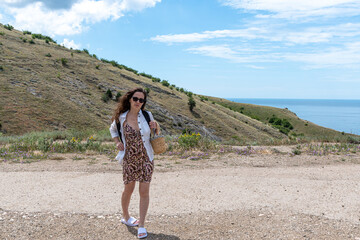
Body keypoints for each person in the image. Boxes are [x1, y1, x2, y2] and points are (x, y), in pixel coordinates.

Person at [109, 88, 157, 239]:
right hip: (129, 159)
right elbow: (113, 130)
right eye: (136, 99)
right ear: (130, 99)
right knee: (128, 190)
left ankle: (141, 225)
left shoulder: (147, 115)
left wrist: (155, 127)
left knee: (144, 191)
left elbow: (154, 134)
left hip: (146, 158)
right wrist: (117, 142)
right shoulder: (121, 118)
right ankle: (126, 217)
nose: (138, 102)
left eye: (141, 100)